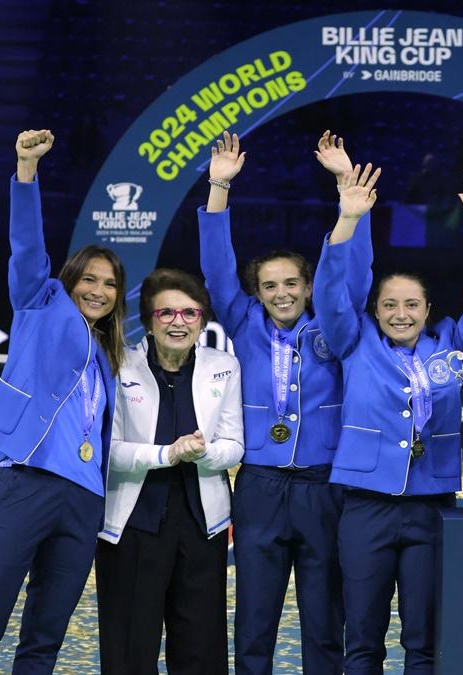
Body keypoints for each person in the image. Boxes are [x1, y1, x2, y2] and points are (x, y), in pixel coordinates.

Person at [0, 130, 126, 673]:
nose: (98, 289)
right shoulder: (38, 303)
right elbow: (26, 246)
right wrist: (26, 170)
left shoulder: (110, 356)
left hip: (84, 499)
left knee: (45, 637)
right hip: (24, 481)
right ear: (68, 281)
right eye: (89, 279)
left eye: (110, 284)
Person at [314, 168, 463, 674]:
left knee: (423, 639)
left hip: (430, 508)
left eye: (411, 304)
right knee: (362, 639)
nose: (401, 313)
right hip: (364, 507)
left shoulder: (453, 347)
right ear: (374, 311)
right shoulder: (352, 342)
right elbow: (331, 293)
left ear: (427, 309)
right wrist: (347, 220)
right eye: (389, 305)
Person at [197, 130, 372, 674]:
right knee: (254, 617)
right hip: (259, 487)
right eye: (270, 285)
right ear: (256, 292)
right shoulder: (244, 320)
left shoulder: (335, 324)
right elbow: (216, 266)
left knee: (325, 618)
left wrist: (349, 197)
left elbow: (355, 274)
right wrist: (219, 187)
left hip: (324, 487)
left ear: (309, 284)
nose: (281, 293)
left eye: (292, 283)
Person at [95, 268, 243, 673]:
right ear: (148, 321)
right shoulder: (118, 364)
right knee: (129, 646)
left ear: (202, 320)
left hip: (202, 527)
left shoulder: (224, 366)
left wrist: (202, 453)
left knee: (201, 647)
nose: (179, 322)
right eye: (166, 313)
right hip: (132, 526)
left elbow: (235, 445)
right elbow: (107, 451)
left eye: (190, 313)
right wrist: (166, 455)